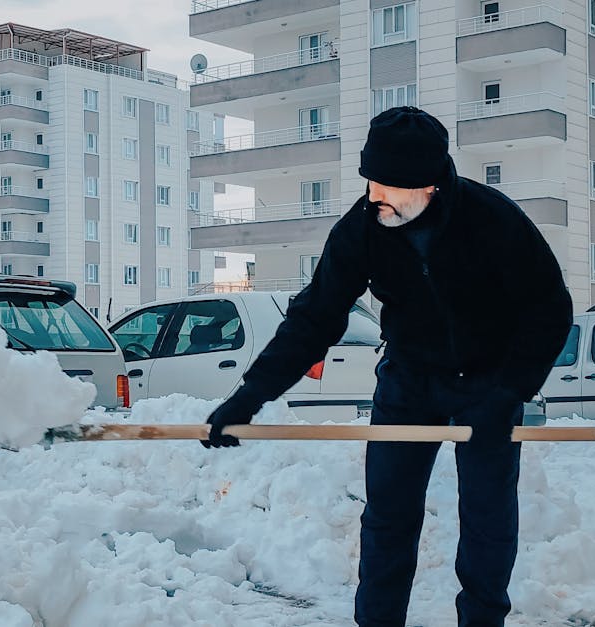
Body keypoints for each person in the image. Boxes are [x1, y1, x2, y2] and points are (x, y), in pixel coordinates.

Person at [201, 106, 573, 627]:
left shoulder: (492, 220)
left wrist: (509, 393)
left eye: (390, 188)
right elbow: (315, 318)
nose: (376, 196)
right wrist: (248, 396)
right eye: (372, 181)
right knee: (388, 519)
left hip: (487, 383)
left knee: (487, 519)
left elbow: (549, 308)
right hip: (408, 380)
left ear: (430, 186)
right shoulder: (363, 230)